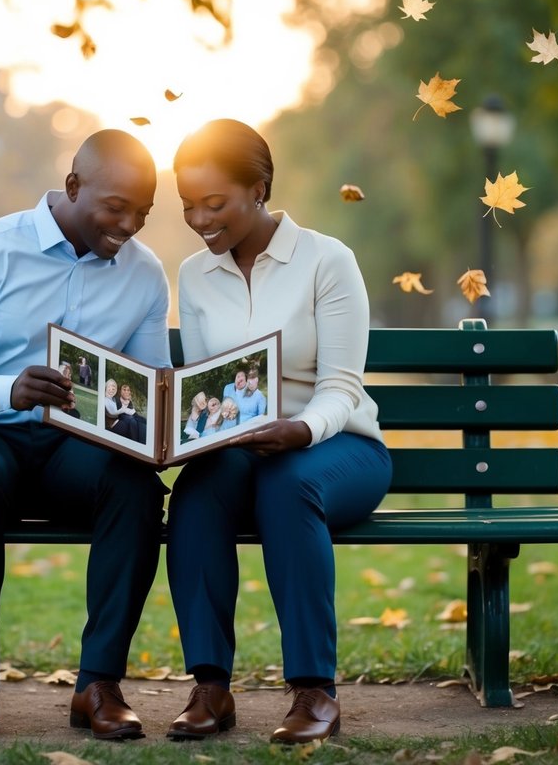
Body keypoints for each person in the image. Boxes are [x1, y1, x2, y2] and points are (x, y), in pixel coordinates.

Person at [0, 129, 171, 741]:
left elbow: (148, 384)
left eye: (143, 211)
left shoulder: (145, 274)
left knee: (134, 486)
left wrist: (157, 429)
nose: (130, 224)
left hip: (72, 454)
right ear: (74, 187)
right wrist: (7, 390)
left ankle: (99, 686)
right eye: (116, 207)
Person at [165, 119, 392, 744]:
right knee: (197, 492)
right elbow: (211, 384)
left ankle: (314, 691)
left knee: (288, 489)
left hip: (337, 446)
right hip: (243, 449)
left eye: (216, 204)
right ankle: (210, 688)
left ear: (259, 188)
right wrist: (181, 433)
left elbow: (343, 388)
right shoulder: (195, 274)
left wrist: (301, 430)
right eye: (188, 204)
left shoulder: (326, 260)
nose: (200, 218)